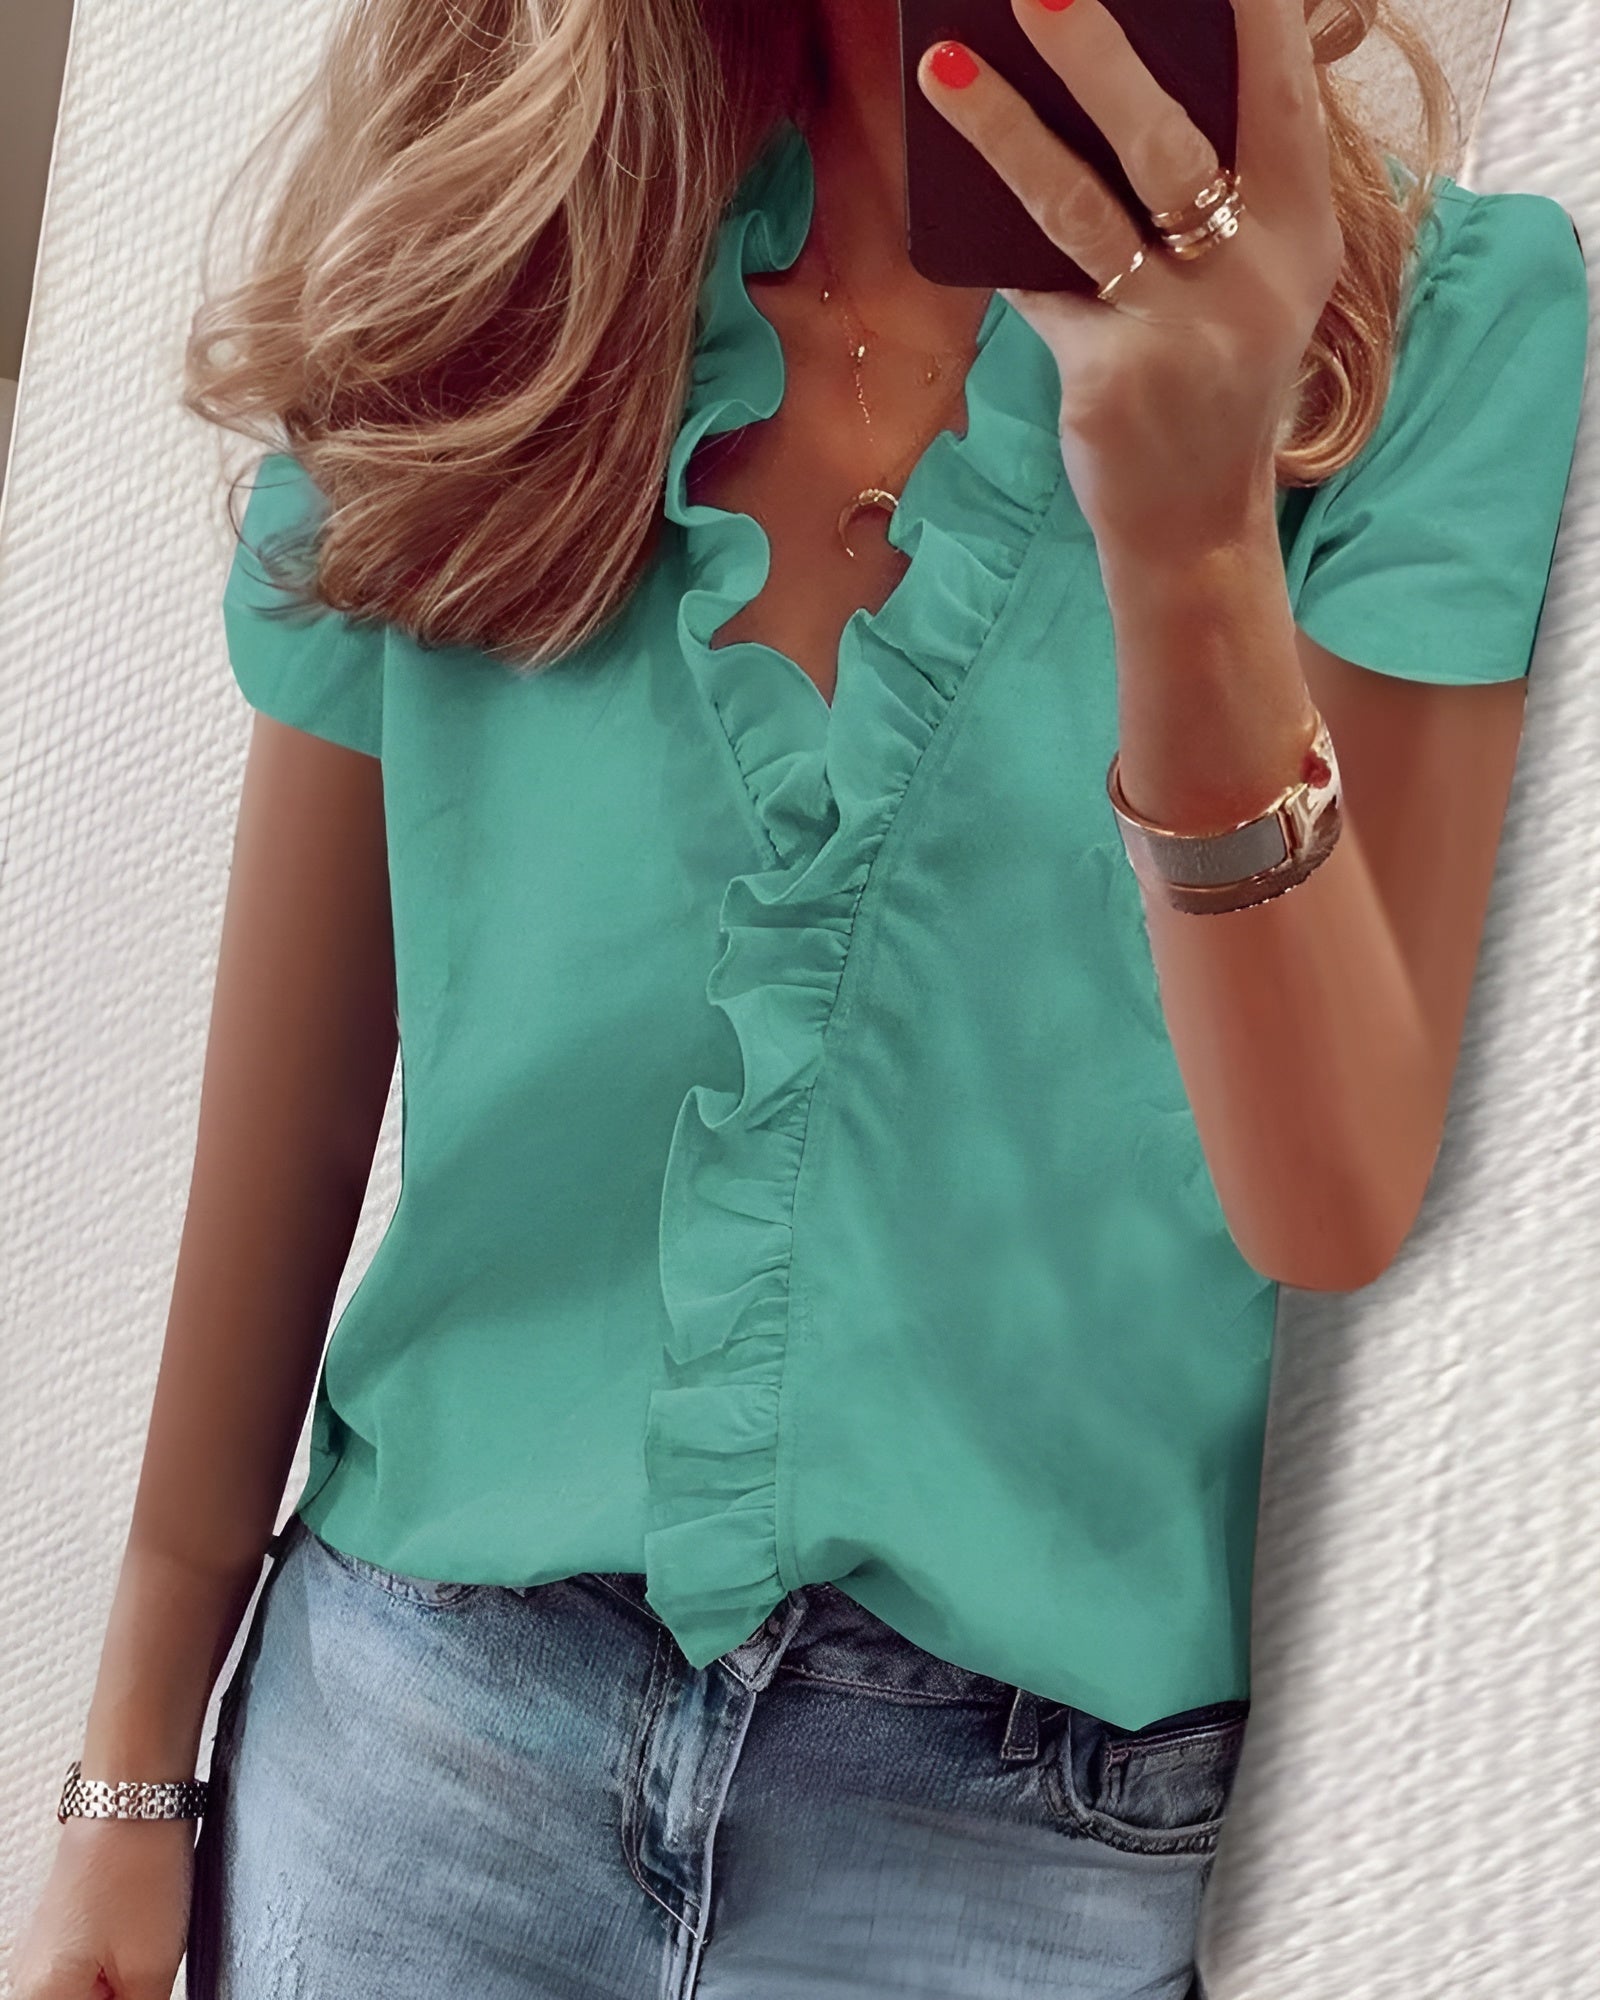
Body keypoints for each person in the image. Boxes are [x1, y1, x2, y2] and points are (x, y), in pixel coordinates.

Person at [14, 0, 1588, 1995]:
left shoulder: (1426, 333)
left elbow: (1332, 1191)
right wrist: (128, 1781)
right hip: (415, 1754)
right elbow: (298, 1123)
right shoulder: (489, 266)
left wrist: (1190, 546)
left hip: (1012, 1861)